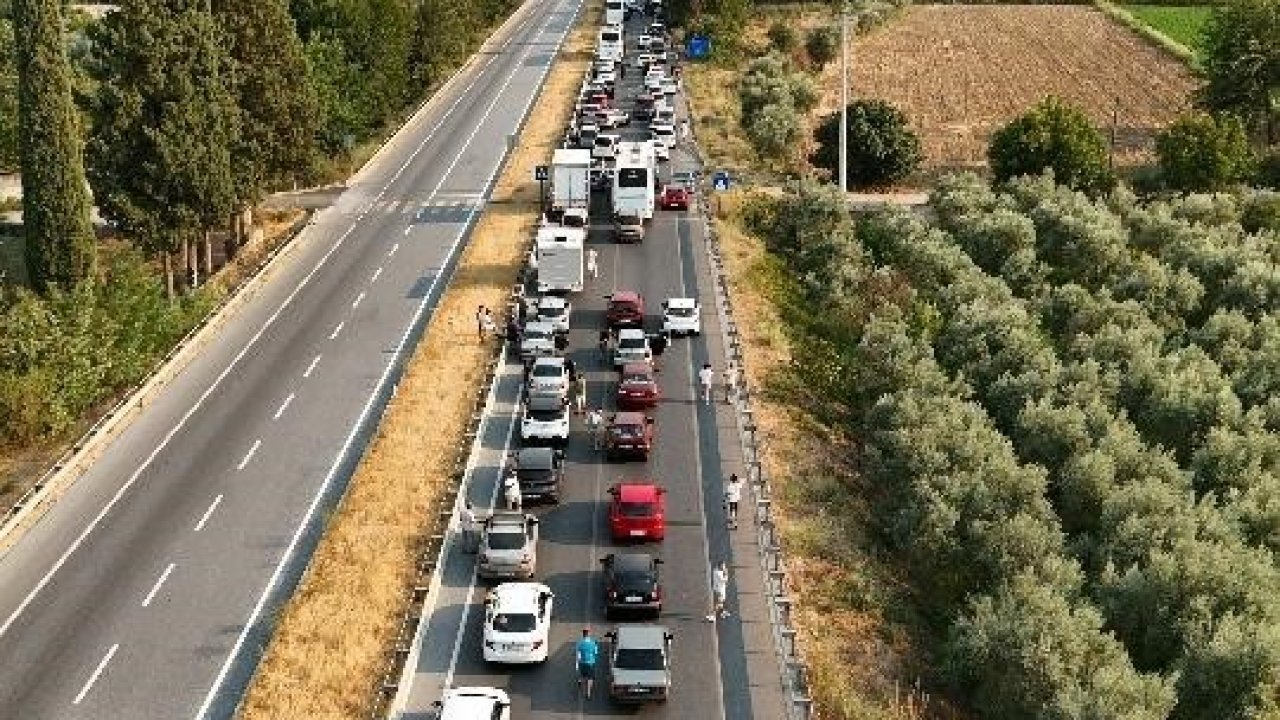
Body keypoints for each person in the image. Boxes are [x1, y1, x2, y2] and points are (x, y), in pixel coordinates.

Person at [575, 627, 600, 698]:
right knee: (590, 678)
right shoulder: (593, 643)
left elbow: (578, 654)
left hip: (582, 662)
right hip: (591, 663)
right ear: (589, 635)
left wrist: (577, 663)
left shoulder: (579, 643)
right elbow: (596, 653)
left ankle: (581, 686)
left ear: (583, 634)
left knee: (583, 676)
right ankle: (588, 693)